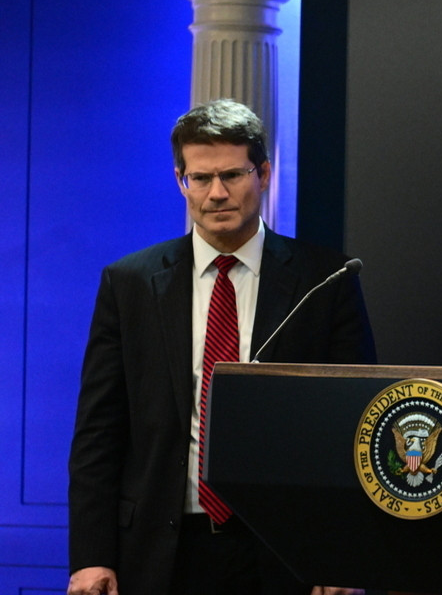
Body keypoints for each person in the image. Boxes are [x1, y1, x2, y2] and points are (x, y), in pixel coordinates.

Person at [67, 100, 376, 595]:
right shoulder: (130, 283)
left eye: (232, 175)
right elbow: (98, 433)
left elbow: (354, 427)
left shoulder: (325, 280)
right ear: (180, 181)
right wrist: (91, 557)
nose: (216, 193)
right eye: (200, 178)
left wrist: (342, 554)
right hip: (160, 550)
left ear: (264, 174)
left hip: (287, 551)